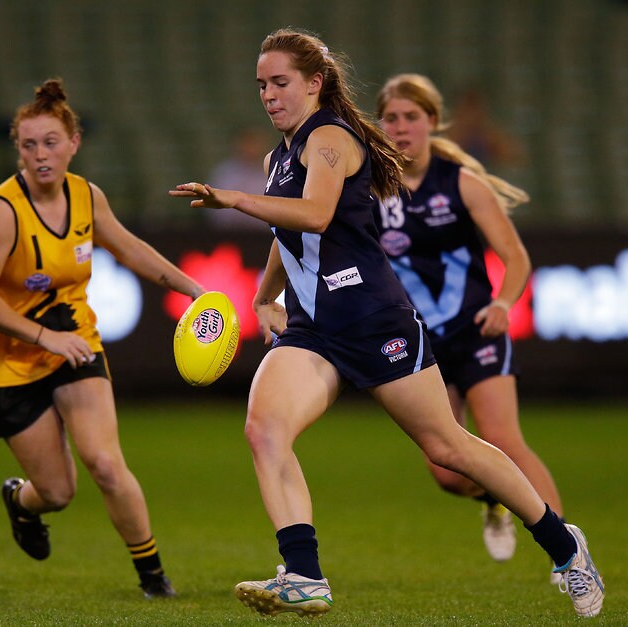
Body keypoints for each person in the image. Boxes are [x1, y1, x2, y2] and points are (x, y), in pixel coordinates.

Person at [170, 29, 604, 619]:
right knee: (264, 429)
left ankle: (564, 545)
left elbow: (317, 216)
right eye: (262, 85)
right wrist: (264, 293)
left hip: (374, 319)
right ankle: (304, 575)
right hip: (313, 328)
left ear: (315, 83)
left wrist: (236, 199)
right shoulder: (279, 155)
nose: (268, 95)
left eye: (280, 82)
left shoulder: (329, 138)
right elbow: (289, 235)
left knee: (449, 448)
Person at [0, 78, 204, 599]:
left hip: (75, 345)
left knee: (106, 464)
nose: (40, 155)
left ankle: (153, 578)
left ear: (74, 143)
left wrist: (193, 290)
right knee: (57, 491)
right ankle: (22, 503)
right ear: (18, 150)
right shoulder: (2, 211)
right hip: (8, 364)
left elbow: (132, 250)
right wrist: (43, 336)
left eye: (51, 142)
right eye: (29, 145)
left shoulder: (86, 195)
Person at [376, 73, 565, 575]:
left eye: (411, 117)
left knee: (504, 437)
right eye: (391, 118)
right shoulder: (368, 193)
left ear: (432, 122)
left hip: (475, 330)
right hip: (419, 346)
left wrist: (504, 302)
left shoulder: (460, 182)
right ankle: (493, 498)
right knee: (447, 473)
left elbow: (516, 258)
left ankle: (567, 553)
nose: (400, 127)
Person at [206, 125, 273, 231]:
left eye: (255, 143)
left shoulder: (272, 172)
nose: (251, 148)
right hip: (230, 235)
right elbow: (216, 211)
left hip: (264, 237)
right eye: (248, 143)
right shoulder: (225, 174)